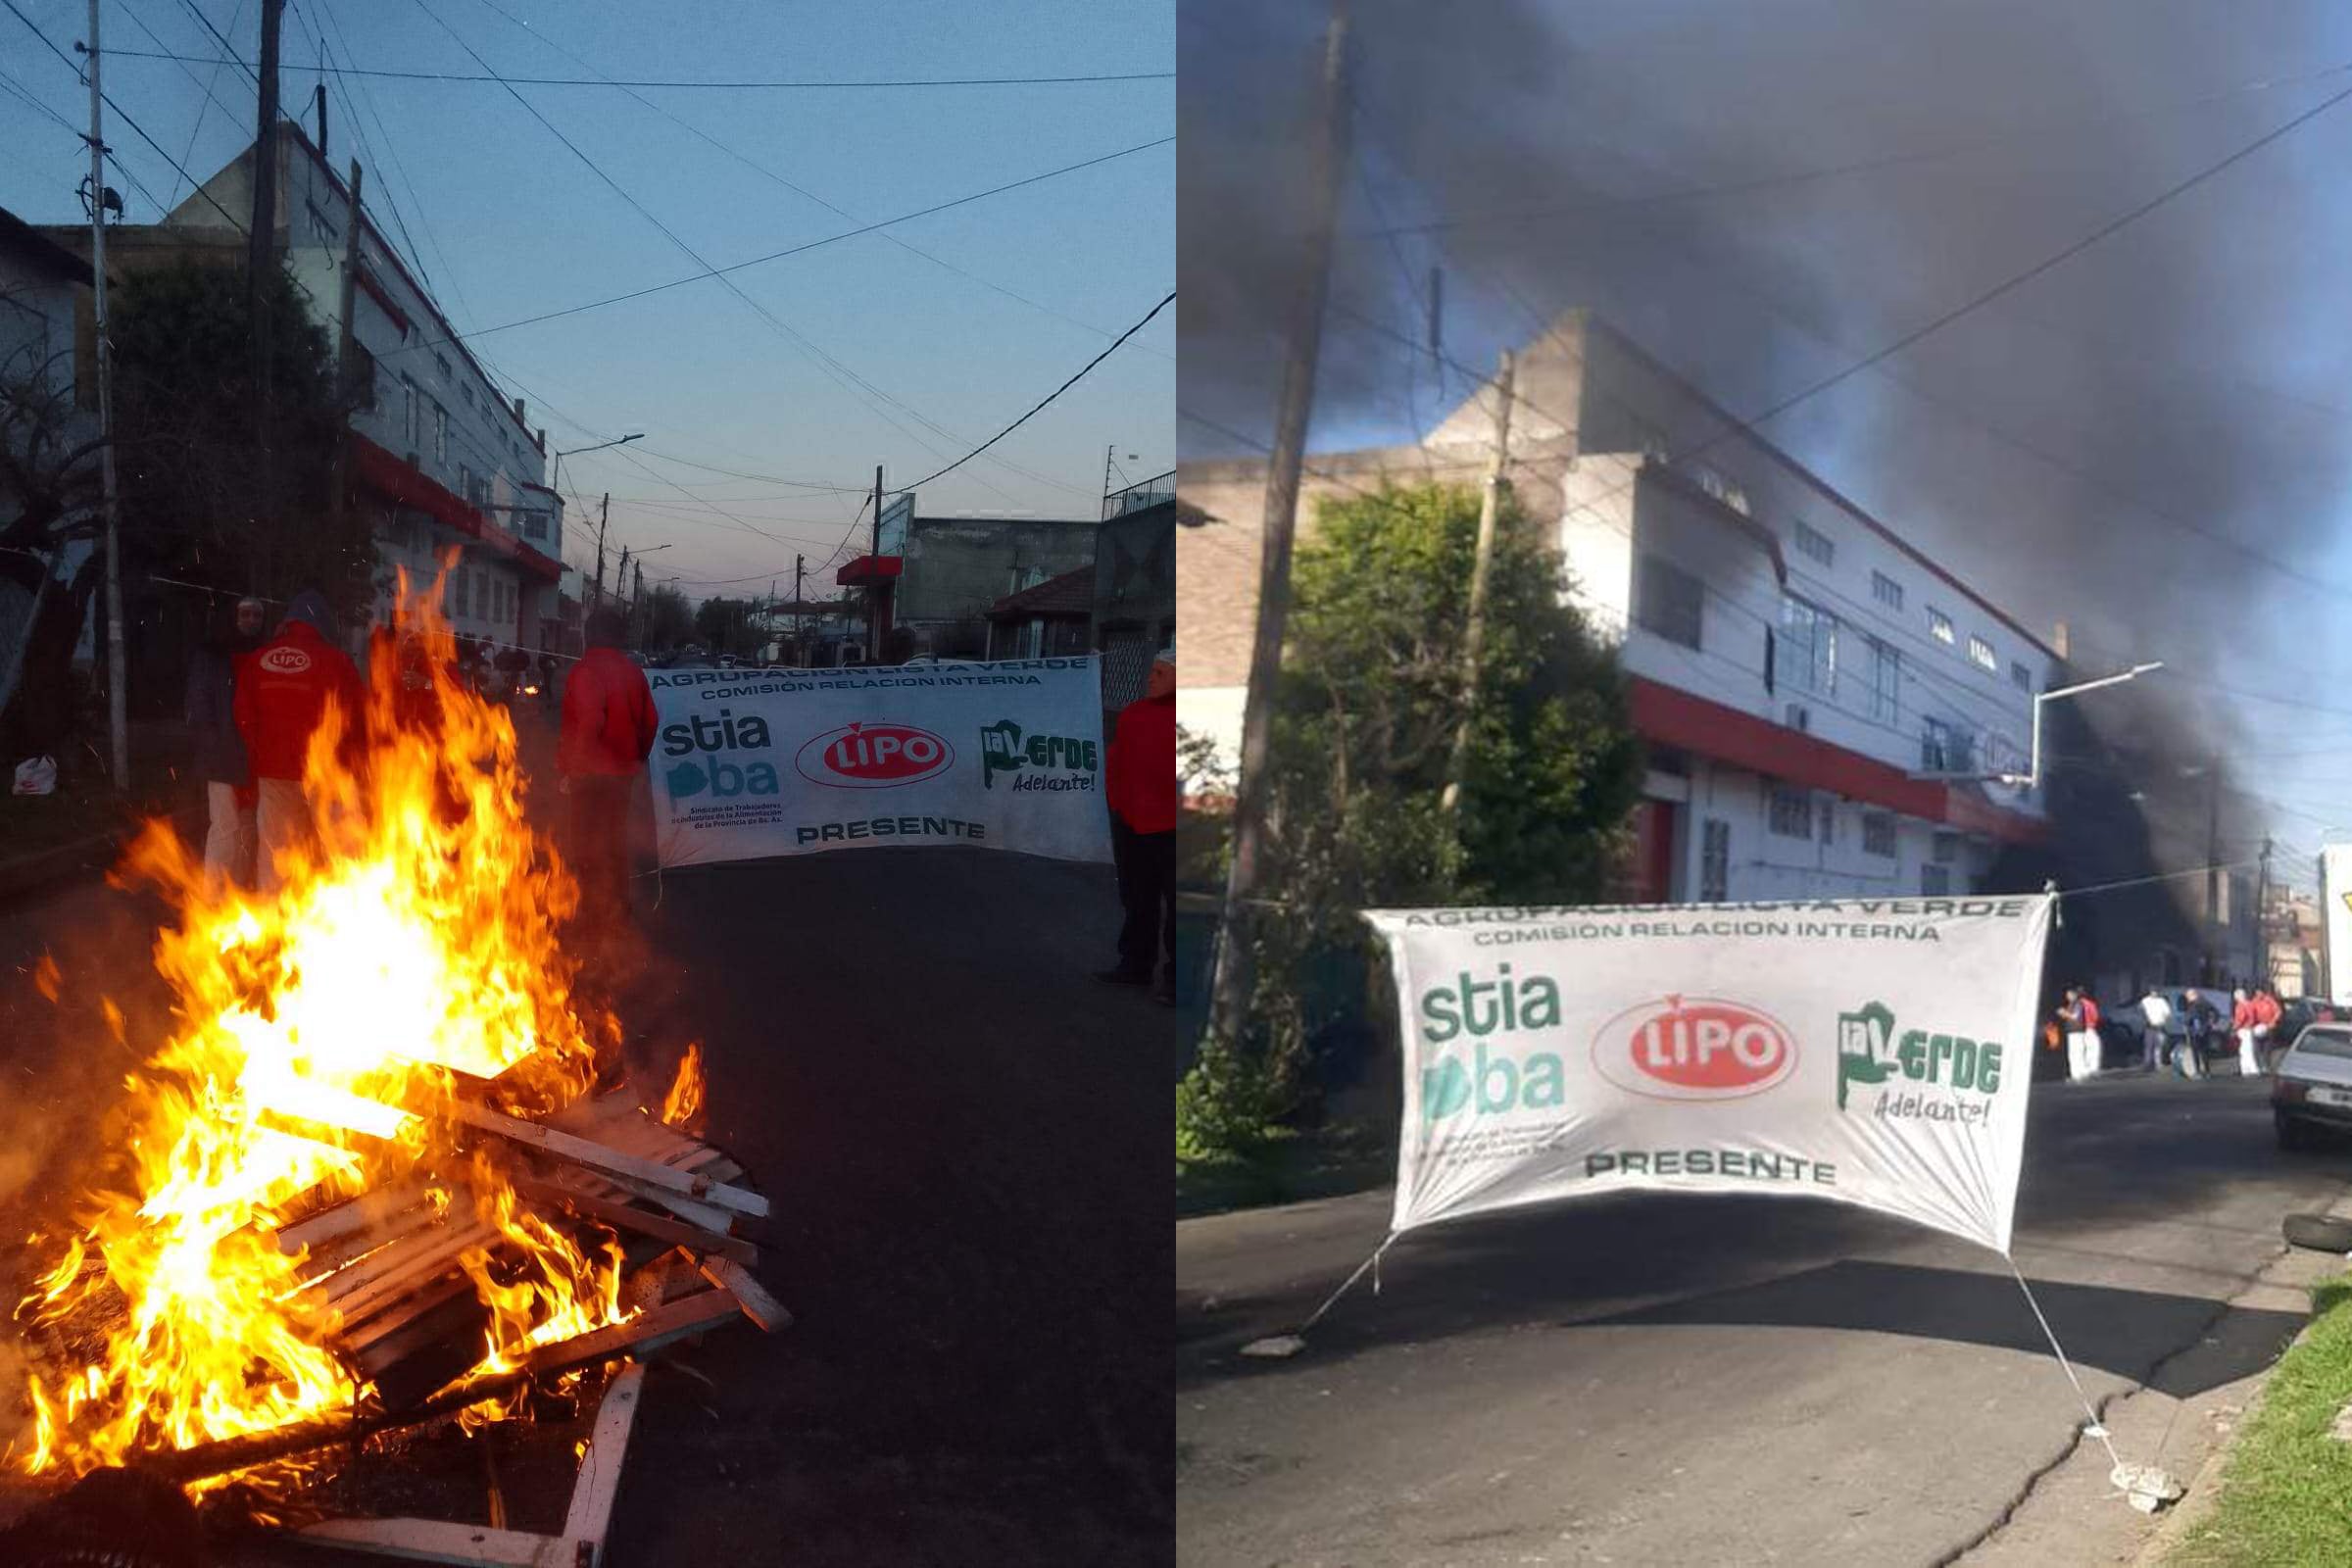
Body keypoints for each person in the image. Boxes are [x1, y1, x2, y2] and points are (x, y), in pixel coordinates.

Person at [233, 589, 367, 894]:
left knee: (275, 853)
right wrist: (356, 765)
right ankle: (345, 924)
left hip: (274, 773)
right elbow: (359, 718)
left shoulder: (259, 659)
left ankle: (274, 926)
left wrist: (262, 752)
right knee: (343, 853)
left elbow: (243, 716)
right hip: (327, 773)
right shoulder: (337, 662)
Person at [557, 609, 657, 945]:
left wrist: (575, 767)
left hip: (590, 775)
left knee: (585, 843)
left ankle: (590, 914)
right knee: (613, 840)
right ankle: (619, 909)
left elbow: (589, 722)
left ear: (590, 635)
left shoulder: (585, 671)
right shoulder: (633, 672)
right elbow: (650, 721)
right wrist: (636, 757)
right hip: (621, 775)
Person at [1098, 647, 1177, 1004]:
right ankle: (1135, 964)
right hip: (1133, 824)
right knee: (1138, 900)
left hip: (1177, 829)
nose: (1150, 678)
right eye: (1152, 671)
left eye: (1160, 673)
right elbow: (1116, 764)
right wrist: (1118, 805)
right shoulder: (1133, 715)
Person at [186, 595, 265, 884]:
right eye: (245, 614)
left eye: (257, 615)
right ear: (233, 616)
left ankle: (239, 891)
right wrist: (212, 743)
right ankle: (215, 896)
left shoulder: (263, 652)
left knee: (248, 826)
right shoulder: (211, 653)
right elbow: (199, 703)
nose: (251, 621)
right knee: (224, 825)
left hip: (253, 756)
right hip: (222, 755)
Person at [2180, 988, 2213, 1079]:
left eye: (2188, 996)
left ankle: (2197, 1072)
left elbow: (2191, 1017)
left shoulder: (2193, 1005)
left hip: (2195, 1031)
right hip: (2205, 1030)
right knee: (2204, 1052)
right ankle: (2207, 1071)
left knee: (2195, 1052)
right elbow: (2216, 1012)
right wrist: (2211, 1023)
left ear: (2193, 995)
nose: (2187, 998)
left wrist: (2186, 1023)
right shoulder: (2206, 1003)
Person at [2138, 987, 2173, 1074]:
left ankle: (2157, 1064)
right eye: (2153, 991)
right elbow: (2140, 1010)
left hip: (2159, 1026)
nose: (2154, 993)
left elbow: (2168, 1013)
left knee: (2158, 1046)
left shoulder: (2161, 1001)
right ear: (2150, 992)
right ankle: (2147, 1064)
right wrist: (2145, 1020)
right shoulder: (2145, 1001)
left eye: (2156, 991)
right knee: (2149, 1046)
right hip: (2149, 1026)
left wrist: (2164, 1021)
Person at [2231, 987, 2263, 1078]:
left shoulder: (2240, 1005)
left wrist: (2234, 1027)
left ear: (2238, 997)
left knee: (2246, 1051)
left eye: (2236, 997)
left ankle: (2252, 1070)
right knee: (2248, 1049)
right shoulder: (2251, 1004)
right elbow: (2256, 1016)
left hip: (2244, 1029)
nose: (2235, 999)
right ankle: (2246, 1070)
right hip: (2251, 1028)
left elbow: (2240, 1018)